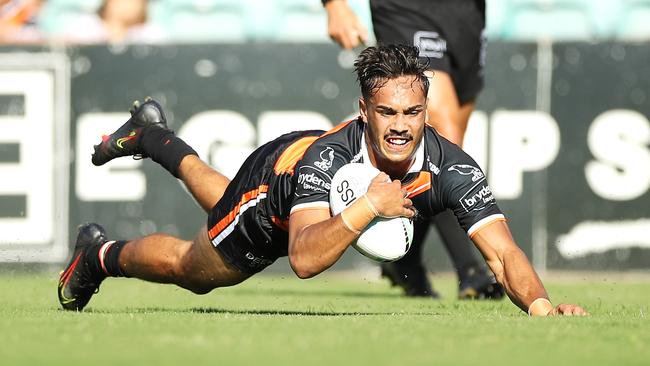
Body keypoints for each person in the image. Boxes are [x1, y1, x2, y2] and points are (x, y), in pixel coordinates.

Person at [58, 45, 586, 317]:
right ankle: (99, 255)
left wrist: (541, 307)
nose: (401, 126)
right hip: (274, 192)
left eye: (413, 112)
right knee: (195, 269)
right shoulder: (328, 158)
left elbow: (502, 254)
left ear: (426, 111)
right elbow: (305, 260)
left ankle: (152, 137)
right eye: (386, 112)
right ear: (363, 110)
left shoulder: (452, 166)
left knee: (222, 203)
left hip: (284, 186)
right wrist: (367, 208)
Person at [323, 0, 497, 299]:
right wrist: (334, 4)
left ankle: (406, 261)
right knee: (442, 131)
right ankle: (471, 271)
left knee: (440, 148)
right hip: (405, 8)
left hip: (467, 16)